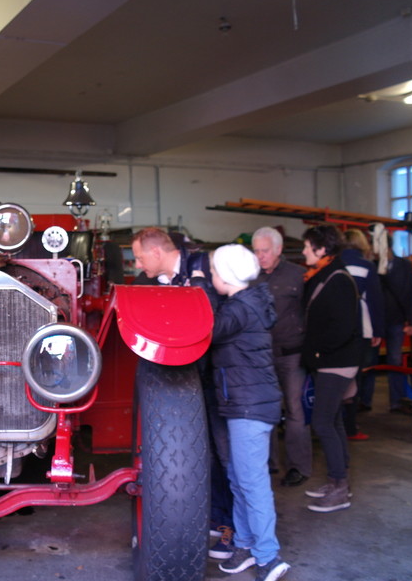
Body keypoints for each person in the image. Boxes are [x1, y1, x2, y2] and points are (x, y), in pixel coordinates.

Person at [132, 227, 235, 558]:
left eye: (139, 257)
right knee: (199, 453)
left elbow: (225, 321)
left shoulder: (207, 268)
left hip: (220, 378)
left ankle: (233, 527)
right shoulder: (151, 284)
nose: (137, 264)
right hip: (185, 383)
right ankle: (213, 515)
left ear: (157, 252)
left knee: (226, 454)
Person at [192, 244, 290, 581]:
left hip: (250, 406)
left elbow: (208, 327)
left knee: (252, 483)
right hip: (243, 403)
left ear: (226, 276)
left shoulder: (240, 309)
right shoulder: (246, 303)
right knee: (238, 479)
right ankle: (246, 545)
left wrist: (199, 286)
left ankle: (268, 557)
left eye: (214, 273)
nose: (211, 277)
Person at [300, 225, 362, 513]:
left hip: (335, 362)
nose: (303, 251)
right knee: (333, 420)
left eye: (307, 246)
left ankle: (340, 489)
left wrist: (316, 352)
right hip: (329, 361)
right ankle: (338, 480)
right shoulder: (325, 274)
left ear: (322, 249)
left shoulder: (337, 279)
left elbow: (343, 328)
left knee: (323, 422)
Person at [251, 227, 312, 488]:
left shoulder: (298, 275)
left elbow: (311, 312)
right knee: (266, 410)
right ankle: (268, 463)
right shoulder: (250, 276)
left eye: (265, 251)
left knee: (296, 411)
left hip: (292, 354)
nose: (260, 256)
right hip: (261, 356)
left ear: (278, 249)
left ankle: (298, 467)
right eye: (256, 251)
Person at [370, 223, 412, 413]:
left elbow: (410, 295)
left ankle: (397, 401)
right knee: (369, 360)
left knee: (395, 360)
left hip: (396, 320)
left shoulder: (404, 266)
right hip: (375, 320)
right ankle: (364, 400)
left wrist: (411, 321)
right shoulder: (371, 266)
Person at [339, 228, 384, 439]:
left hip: (335, 327)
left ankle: (332, 424)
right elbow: (375, 300)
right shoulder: (367, 266)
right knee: (354, 377)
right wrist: (377, 330)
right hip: (360, 327)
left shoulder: (334, 264)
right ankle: (350, 427)